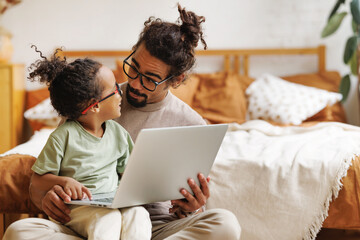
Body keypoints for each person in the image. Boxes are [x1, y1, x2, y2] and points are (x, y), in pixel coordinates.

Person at [4, 4, 241, 240]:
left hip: (156, 228)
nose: (135, 84)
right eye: (134, 68)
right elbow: (40, 185)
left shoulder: (192, 125)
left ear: (176, 80)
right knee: (20, 231)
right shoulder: (91, 100)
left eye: (150, 80)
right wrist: (47, 197)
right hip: (87, 219)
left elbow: (191, 210)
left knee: (225, 224)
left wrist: (192, 207)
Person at [12, 46, 151, 240]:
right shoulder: (63, 136)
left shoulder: (118, 133)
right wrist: (64, 181)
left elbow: (129, 173)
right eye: (115, 90)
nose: (121, 93)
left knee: (139, 214)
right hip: (79, 207)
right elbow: (38, 179)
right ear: (94, 106)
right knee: (107, 220)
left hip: (112, 201)